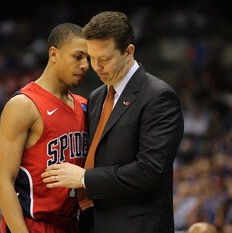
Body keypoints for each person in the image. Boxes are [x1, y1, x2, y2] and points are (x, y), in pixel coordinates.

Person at [41, 11, 184, 233]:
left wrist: (85, 178)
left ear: (128, 52)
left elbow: (150, 172)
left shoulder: (158, 96)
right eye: (92, 57)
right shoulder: (97, 96)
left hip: (138, 225)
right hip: (94, 222)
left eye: (105, 59)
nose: (95, 66)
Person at [0, 23, 89, 233]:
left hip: (71, 224)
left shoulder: (84, 105)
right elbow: (3, 182)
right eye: (78, 56)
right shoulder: (24, 105)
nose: (85, 65)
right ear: (53, 54)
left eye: (88, 58)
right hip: (32, 224)